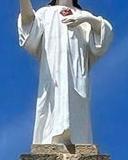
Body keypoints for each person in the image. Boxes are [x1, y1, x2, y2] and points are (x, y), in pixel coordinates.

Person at [17, 0, 114, 146]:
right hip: (52, 72)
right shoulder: (45, 13)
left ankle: (78, 143)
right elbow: (28, 23)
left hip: (76, 74)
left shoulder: (83, 15)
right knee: (52, 100)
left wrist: (86, 19)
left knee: (77, 103)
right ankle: (50, 141)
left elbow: (103, 36)